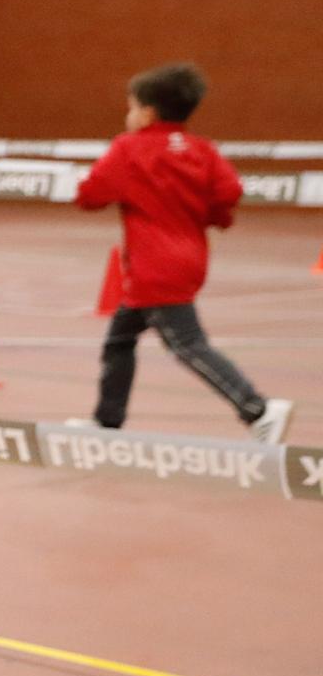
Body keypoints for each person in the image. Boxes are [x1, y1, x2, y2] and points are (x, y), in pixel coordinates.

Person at [72, 63, 293, 443]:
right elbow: (228, 194)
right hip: (187, 259)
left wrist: (90, 189)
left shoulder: (130, 148)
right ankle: (107, 421)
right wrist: (211, 216)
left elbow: (91, 195)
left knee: (188, 345)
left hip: (154, 268)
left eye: (131, 107)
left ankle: (256, 409)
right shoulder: (203, 150)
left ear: (147, 112)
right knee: (119, 341)